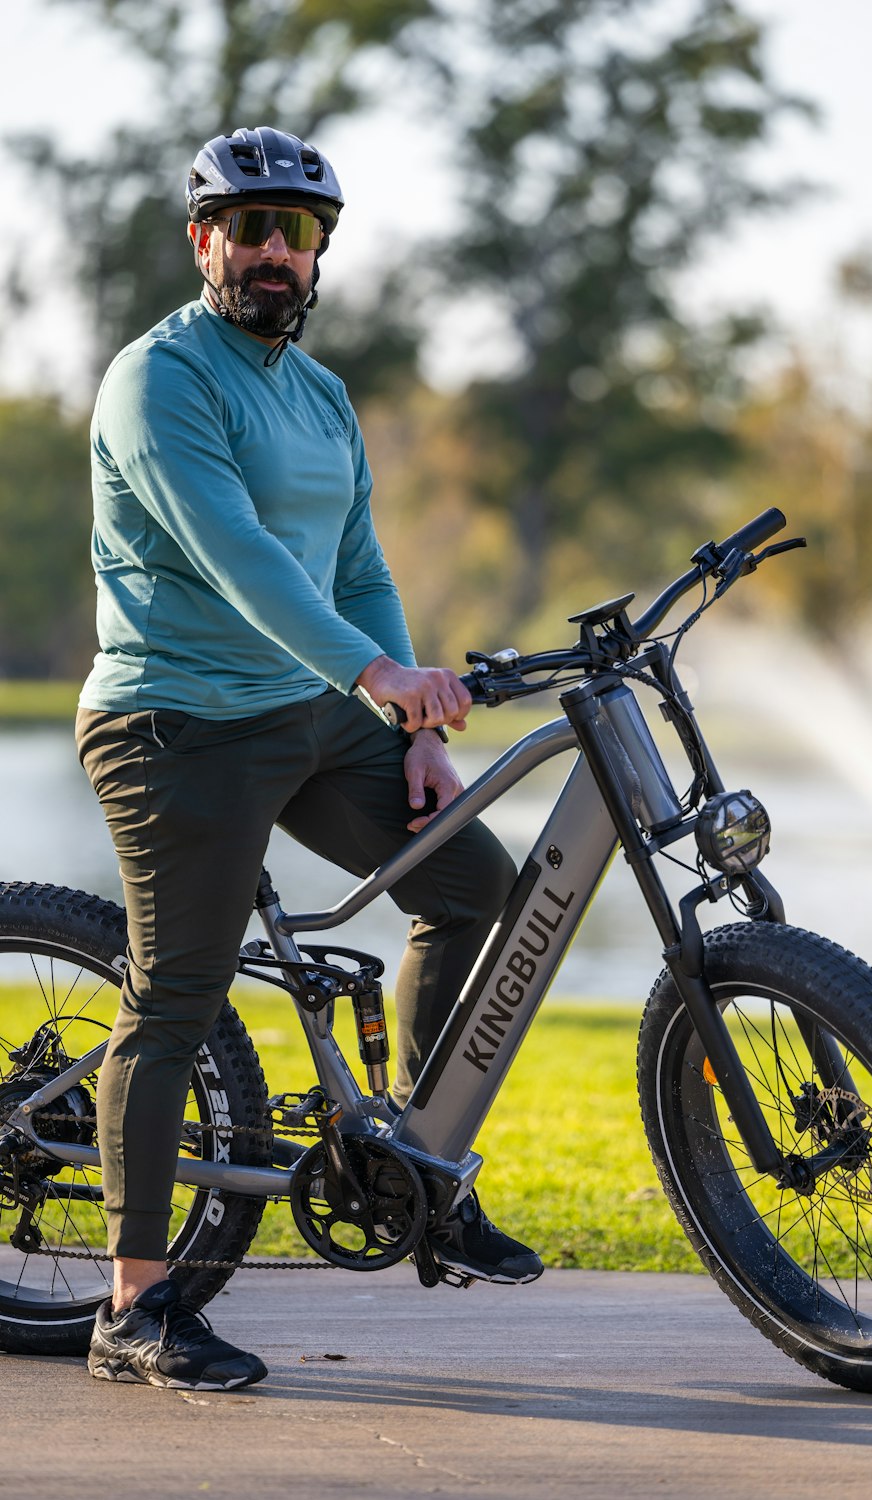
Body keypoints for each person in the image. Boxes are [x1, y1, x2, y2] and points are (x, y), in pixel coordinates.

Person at [76, 125, 539, 1391]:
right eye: (251, 228)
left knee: (468, 885)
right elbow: (241, 558)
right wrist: (378, 675)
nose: (276, 251)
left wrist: (411, 724)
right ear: (203, 243)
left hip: (311, 707)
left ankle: (418, 1167)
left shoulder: (320, 393)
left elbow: (357, 567)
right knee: (178, 994)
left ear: (321, 249)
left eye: (300, 230)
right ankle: (134, 1304)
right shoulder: (159, 379)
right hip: (174, 720)